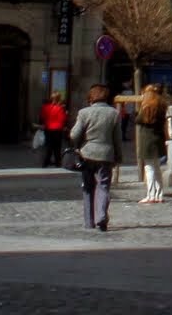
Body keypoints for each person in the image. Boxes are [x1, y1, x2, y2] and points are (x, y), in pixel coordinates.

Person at [70, 83, 122, 233]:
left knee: (87, 187)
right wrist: (118, 157)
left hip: (87, 155)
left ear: (91, 97)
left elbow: (74, 134)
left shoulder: (84, 113)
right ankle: (101, 217)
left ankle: (89, 221)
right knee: (103, 186)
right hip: (106, 155)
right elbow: (117, 139)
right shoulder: (114, 113)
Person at [134, 83, 167, 202]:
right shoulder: (162, 106)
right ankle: (159, 194)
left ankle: (151, 195)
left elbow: (138, 120)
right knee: (157, 168)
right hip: (158, 139)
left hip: (147, 140)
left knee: (149, 168)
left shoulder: (147, 107)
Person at [39, 90, 69, 170]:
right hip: (58, 129)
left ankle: (45, 162)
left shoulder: (45, 107)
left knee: (48, 146)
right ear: (59, 98)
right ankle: (57, 163)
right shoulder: (61, 108)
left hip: (48, 129)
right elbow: (63, 119)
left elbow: (42, 117)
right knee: (57, 147)